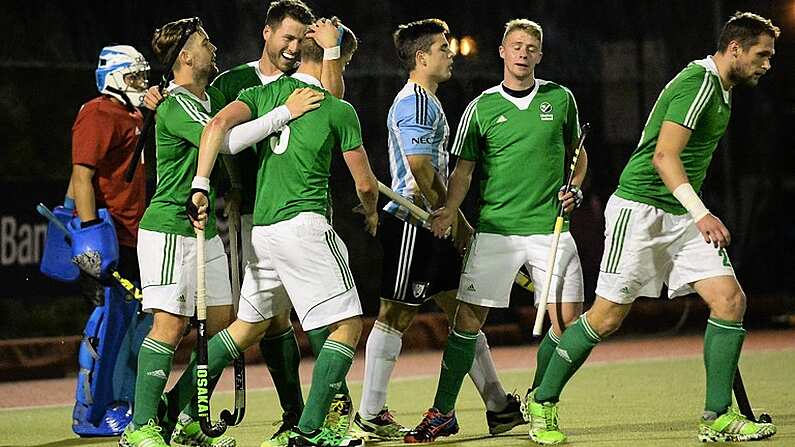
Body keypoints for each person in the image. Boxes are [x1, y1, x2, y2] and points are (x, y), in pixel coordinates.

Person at [524, 11, 779, 445]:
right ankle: (542, 401)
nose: (768, 64)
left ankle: (716, 417)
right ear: (734, 48)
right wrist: (702, 213)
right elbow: (664, 157)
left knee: (730, 301)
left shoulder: (723, 88)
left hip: (679, 215)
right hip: (640, 211)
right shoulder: (697, 83)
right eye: (762, 54)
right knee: (606, 318)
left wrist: (691, 214)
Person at [143, 3, 353, 439]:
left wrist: (330, 57)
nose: (293, 48)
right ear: (267, 33)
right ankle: (303, 417)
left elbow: (334, 104)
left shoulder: (310, 80)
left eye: (301, 40)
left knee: (265, 320)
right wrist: (160, 98)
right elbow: (209, 125)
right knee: (279, 320)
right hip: (250, 215)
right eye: (287, 38)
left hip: (300, 210)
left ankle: (303, 414)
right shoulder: (234, 82)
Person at [186, 27, 377, 447]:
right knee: (347, 325)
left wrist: (279, 116)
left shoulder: (266, 94)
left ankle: (179, 413)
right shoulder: (337, 109)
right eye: (343, 62)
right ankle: (310, 430)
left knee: (245, 329)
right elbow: (364, 184)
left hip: (263, 231)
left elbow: (228, 140)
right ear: (336, 60)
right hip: (304, 227)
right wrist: (370, 210)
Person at [406, 19, 588, 443]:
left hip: (550, 230)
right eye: (516, 46)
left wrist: (574, 190)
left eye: (531, 47)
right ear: (502, 53)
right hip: (495, 233)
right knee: (466, 322)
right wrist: (450, 209)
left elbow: (579, 155)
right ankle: (443, 412)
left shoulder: (561, 100)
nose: (523, 53)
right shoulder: (482, 107)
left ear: (539, 56)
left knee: (569, 325)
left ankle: (542, 403)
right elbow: (463, 171)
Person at [353, 18, 524, 442]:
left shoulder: (428, 101)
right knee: (394, 316)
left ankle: (499, 405)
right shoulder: (415, 102)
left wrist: (449, 221)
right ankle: (370, 414)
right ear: (421, 57)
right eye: (443, 49)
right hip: (416, 225)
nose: (451, 55)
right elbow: (419, 167)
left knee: (463, 316)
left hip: (433, 226)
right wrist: (455, 219)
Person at [65, 44, 153, 437]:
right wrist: (85, 234)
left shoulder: (131, 113)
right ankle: (91, 411)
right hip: (111, 236)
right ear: (113, 77)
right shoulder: (99, 112)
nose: (140, 83)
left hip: (135, 235)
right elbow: (81, 175)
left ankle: (123, 402)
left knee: (133, 324)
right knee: (105, 325)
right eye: (133, 76)